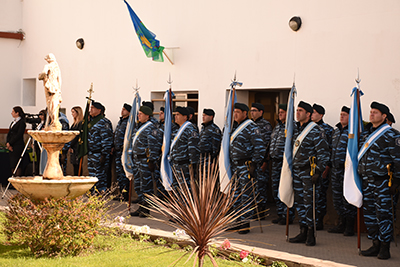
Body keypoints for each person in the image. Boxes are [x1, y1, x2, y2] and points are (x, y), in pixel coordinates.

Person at [359, 102, 400, 260]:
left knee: (384, 215)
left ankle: (385, 247)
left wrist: (396, 181)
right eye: (371, 112)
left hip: (383, 182)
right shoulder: (366, 135)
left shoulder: (392, 135)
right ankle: (375, 243)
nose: (372, 114)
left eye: (375, 112)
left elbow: (398, 160)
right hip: (367, 181)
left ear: (384, 116)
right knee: (370, 215)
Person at [288, 101, 329, 246]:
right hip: (297, 171)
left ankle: (311, 233)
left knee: (310, 204)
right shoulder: (296, 130)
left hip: (309, 173)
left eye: (300, 111)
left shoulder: (316, 130)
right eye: (297, 110)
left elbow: (324, 154)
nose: (297, 113)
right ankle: (302, 231)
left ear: (308, 114)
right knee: (299, 203)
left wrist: (318, 171)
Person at [229, 103, 265, 234]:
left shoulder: (252, 127)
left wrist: (254, 164)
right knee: (236, 195)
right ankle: (237, 221)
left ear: (245, 113)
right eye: (234, 112)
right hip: (235, 166)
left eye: (238, 112)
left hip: (246, 166)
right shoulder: (234, 128)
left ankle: (245, 223)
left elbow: (260, 148)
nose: (235, 115)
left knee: (247, 195)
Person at [328, 106, 357, 236]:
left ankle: (349, 225)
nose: (341, 116)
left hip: (347, 171)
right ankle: (341, 223)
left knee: (347, 198)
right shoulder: (336, 132)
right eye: (341, 114)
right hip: (335, 170)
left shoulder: (353, 132)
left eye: (345, 114)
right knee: (337, 198)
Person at [130, 105, 161, 217]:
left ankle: (146, 208)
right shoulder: (139, 127)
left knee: (146, 185)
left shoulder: (151, 128)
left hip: (145, 160)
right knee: (138, 184)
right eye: (138, 113)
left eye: (141, 114)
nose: (138, 115)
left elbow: (153, 146)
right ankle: (141, 206)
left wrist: (151, 160)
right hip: (137, 160)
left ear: (147, 116)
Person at [270, 104, 295, 224]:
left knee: (285, 188)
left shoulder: (291, 127)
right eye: (279, 112)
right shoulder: (277, 127)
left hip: (285, 162)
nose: (280, 114)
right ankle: (280, 213)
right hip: (275, 163)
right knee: (276, 189)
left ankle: (288, 215)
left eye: (283, 112)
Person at [311, 103, 334, 230]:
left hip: (322, 166)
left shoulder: (328, 129)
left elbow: (330, 150)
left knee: (320, 195)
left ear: (321, 115)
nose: (312, 114)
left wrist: (327, 166)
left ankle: (319, 220)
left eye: (315, 112)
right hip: (308, 167)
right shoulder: (308, 128)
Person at [170, 106, 200, 190]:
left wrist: (193, 165)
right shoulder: (177, 130)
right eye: (175, 114)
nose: (175, 116)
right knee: (177, 189)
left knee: (185, 189)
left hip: (184, 166)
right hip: (176, 165)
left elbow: (193, 149)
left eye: (178, 114)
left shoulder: (190, 130)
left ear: (185, 117)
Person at [250, 103, 272, 218]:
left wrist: (265, 161)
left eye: (254, 110)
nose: (252, 112)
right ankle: (253, 209)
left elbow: (267, 145)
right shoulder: (250, 124)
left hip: (261, 161)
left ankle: (261, 209)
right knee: (253, 185)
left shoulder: (265, 125)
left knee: (261, 185)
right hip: (252, 160)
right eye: (251, 110)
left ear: (261, 112)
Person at [87, 101, 113, 192]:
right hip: (91, 153)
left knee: (100, 176)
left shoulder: (104, 122)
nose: (90, 110)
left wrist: (104, 154)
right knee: (92, 175)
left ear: (99, 110)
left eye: (93, 108)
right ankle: (93, 192)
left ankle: (100, 192)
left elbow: (106, 139)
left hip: (99, 153)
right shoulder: (90, 121)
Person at [38, 53, 62, 131]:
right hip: (56, 87)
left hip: (49, 87)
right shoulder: (56, 67)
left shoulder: (47, 66)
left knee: (50, 105)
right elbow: (59, 79)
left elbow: (44, 73)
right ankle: (54, 121)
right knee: (54, 104)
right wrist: (59, 89)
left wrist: (40, 76)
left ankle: (53, 121)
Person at [112, 103, 131, 200]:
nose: (122, 111)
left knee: (124, 174)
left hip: (124, 151)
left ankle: (125, 194)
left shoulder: (129, 122)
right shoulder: (121, 121)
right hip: (117, 151)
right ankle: (121, 193)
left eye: (124, 109)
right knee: (119, 174)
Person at [6, 106, 26, 177]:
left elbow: (18, 134)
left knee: (17, 163)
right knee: (12, 164)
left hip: (17, 145)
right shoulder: (13, 122)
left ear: (17, 113)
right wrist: (8, 143)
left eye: (13, 112)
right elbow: (9, 133)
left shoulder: (21, 123)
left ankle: (17, 179)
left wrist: (11, 142)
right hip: (11, 145)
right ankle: (13, 179)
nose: (11, 113)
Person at [68, 106, 83, 176]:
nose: (72, 114)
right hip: (72, 146)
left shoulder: (80, 124)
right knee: (74, 165)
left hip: (77, 147)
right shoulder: (74, 124)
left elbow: (77, 136)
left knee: (77, 165)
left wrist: (71, 145)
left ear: (78, 113)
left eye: (73, 112)